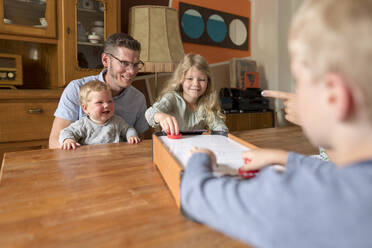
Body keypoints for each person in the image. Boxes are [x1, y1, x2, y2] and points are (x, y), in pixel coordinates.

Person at [180, 0, 372, 247]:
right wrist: (285, 157)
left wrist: (200, 158)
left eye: (298, 80)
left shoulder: (293, 197)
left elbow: (195, 195)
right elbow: (341, 175)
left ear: (333, 96)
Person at [49, 33, 149, 149]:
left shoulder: (138, 98)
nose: (132, 71)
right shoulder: (76, 89)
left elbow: (140, 141)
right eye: (124, 63)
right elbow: (55, 143)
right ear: (106, 60)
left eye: (136, 64)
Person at [145, 53, 227, 135]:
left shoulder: (206, 103)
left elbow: (220, 127)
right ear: (181, 80)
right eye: (190, 78)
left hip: (195, 147)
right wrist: (160, 116)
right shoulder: (172, 98)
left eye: (201, 79)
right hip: (173, 145)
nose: (196, 84)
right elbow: (149, 113)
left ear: (207, 82)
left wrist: (222, 132)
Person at [59, 80, 140, 150]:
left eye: (110, 101)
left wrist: (131, 136)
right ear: (85, 108)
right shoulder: (83, 124)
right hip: (92, 160)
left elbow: (128, 129)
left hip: (115, 157)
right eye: (100, 102)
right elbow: (66, 132)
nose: (106, 105)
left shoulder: (117, 121)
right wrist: (68, 140)